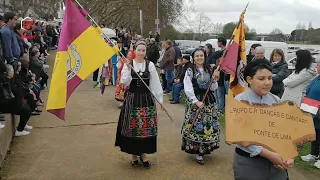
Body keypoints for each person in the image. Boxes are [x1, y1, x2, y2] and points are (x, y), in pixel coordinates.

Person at [233, 59, 294, 180]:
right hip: (249, 164)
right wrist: (268, 154)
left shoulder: (277, 100)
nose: (267, 83)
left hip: (276, 165)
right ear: (249, 79)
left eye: (270, 78)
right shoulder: (239, 101)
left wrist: (289, 155)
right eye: (261, 79)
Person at [115, 41, 163, 168]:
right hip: (132, 99)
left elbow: (155, 83)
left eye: (143, 50)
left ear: (145, 52)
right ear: (134, 51)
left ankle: (143, 154)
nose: (141, 52)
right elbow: (124, 81)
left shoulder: (150, 65)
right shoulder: (129, 64)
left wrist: (159, 99)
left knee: (146, 128)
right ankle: (134, 155)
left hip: (146, 100)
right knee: (133, 128)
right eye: (139, 50)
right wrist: (128, 69)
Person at [181, 48, 220, 165]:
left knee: (207, 126)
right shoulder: (190, 70)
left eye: (201, 56)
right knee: (196, 125)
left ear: (204, 57)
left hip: (208, 100)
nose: (199, 58)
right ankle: (197, 150)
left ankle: (204, 150)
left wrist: (214, 80)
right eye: (197, 56)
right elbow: (187, 87)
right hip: (196, 100)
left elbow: (213, 88)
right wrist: (195, 101)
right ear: (193, 58)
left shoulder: (209, 69)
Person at [0, 64, 32, 136]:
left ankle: (23, 124)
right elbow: (16, 92)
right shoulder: (7, 82)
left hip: (10, 102)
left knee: (26, 107)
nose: (13, 73)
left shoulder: (9, 80)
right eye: (12, 72)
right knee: (26, 110)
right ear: (9, 73)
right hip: (6, 105)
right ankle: (19, 130)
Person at [300, 56, 320, 169]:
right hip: (313, 110)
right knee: (315, 134)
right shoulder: (317, 78)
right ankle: (314, 154)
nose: (316, 67)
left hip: (318, 111)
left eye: (317, 65)